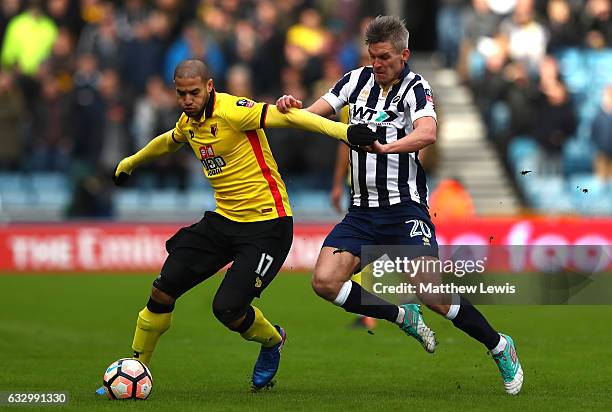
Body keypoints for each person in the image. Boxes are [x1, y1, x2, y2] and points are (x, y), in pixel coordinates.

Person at [96, 58, 378, 394]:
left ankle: (273, 340)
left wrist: (344, 132)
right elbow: (169, 140)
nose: (187, 100)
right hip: (223, 221)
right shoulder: (189, 122)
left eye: (194, 92)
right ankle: (138, 365)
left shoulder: (234, 111)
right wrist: (131, 162)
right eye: (181, 94)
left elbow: (289, 117)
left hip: (267, 225)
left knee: (227, 309)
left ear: (210, 86)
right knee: (161, 290)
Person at [276, 15, 523, 395]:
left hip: (404, 210)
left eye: (385, 57)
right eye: (372, 56)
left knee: (434, 296)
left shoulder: (416, 88)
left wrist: (386, 147)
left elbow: (428, 131)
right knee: (324, 282)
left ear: (404, 54)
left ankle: (499, 345)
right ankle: (399, 314)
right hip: (362, 212)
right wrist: (290, 108)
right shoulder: (355, 80)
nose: (377, 64)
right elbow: (313, 117)